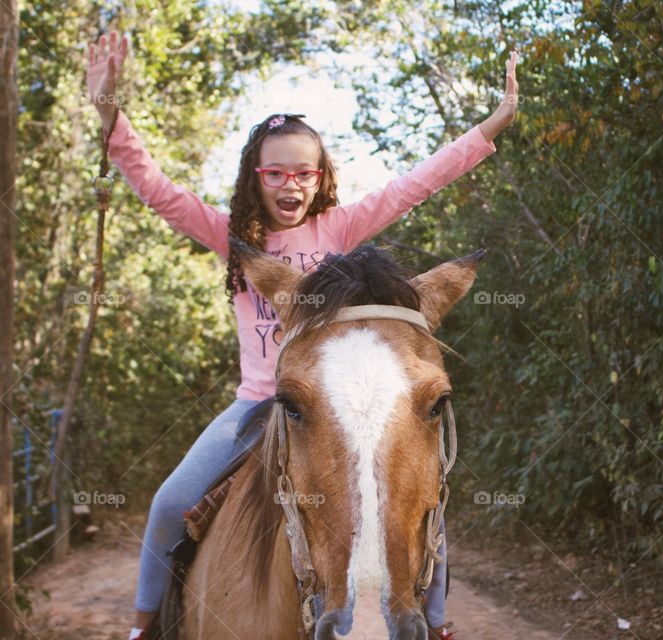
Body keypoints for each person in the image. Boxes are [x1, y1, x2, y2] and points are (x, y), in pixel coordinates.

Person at [85, 30, 519, 640]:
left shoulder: (341, 228)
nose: (291, 186)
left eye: (305, 175)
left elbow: (413, 184)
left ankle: (433, 622)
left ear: (320, 178)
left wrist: (490, 128)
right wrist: (110, 113)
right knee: (166, 505)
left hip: (335, 408)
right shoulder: (234, 238)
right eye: (277, 173)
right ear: (255, 176)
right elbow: (160, 192)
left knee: (417, 505)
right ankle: (142, 627)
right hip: (255, 406)